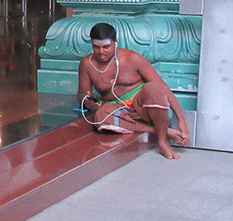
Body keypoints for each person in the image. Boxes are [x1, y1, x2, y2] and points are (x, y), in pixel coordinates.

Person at [78, 22, 190, 159]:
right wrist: (86, 101)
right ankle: (163, 131)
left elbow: (163, 87)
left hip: (143, 106)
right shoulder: (87, 63)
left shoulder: (132, 58)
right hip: (118, 109)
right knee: (101, 115)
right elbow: (83, 93)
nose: (101, 52)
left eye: (106, 47)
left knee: (154, 88)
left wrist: (182, 120)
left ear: (115, 43)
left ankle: (163, 142)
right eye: (96, 47)